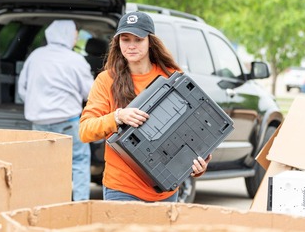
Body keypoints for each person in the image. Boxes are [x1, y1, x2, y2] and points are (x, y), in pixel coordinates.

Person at [79, 11, 211, 202]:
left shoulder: (172, 76)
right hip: (121, 189)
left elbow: (195, 131)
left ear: (150, 41)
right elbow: (85, 131)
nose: (131, 45)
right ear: (118, 43)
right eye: (125, 39)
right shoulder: (106, 80)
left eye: (138, 39)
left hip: (165, 191)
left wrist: (200, 165)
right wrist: (117, 117)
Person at [17, 20, 94, 201]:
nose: (76, 38)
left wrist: (36, 104)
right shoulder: (76, 60)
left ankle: (43, 203)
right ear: (68, 35)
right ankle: (81, 205)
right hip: (68, 122)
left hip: (39, 123)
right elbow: (90, 93)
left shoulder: (36, 56)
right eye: (75, 34)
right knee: (79, 162)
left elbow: (22, 89)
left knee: (41, 166)